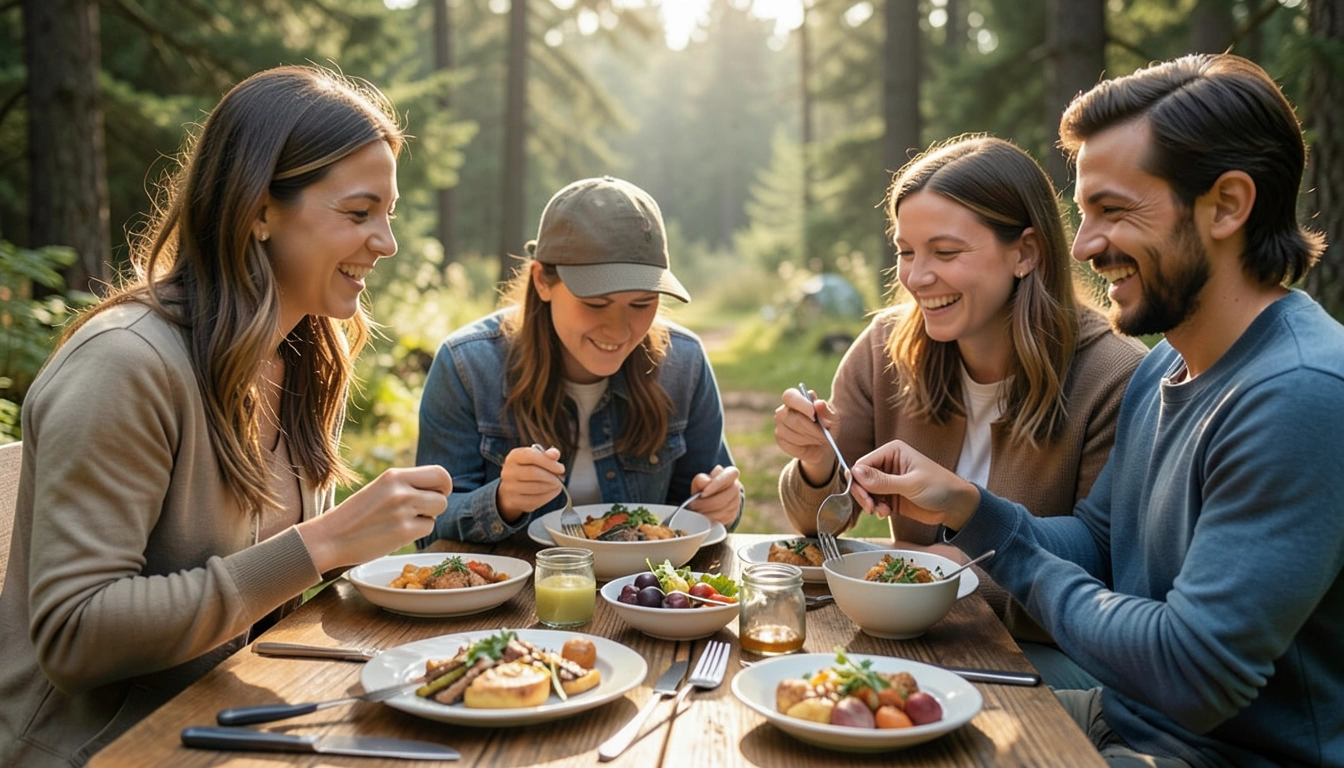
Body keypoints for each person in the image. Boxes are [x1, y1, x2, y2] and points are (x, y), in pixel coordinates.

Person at [849, 53, 1343, 767]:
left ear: (1228, 206)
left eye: (1114, 211)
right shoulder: (1168, 368)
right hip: (1124, 718)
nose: (1081, 246)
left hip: (1216, 754)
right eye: (1083, 213)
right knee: (866, 708)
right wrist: (970, 504)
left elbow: (1194, 672)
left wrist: (1013, 552)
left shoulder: (1299, 392)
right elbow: (1100, 546)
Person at [0, 66, 452, 767]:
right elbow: (74, 634)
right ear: (258, 211)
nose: (386, 242)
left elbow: (269, 600)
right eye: (360, 213)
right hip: (101, 749)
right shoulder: (124, 366)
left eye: (387, 214)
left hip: (239, 716)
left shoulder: (307, 350)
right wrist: (320, 545)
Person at [774, 136, 1147, 675]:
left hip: (1045, 660)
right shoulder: (884, 348)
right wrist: (815, 462)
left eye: (945, 252)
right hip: (905, 641)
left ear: (1025, 252)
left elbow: (1106, 569)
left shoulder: (1114, 376)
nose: (916, 277)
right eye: (906, 251)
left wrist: (963, 572)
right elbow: (820, 524)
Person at [416, 176, 743, 545]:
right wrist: (502, 502)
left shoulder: (685, 363)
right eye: (596, 303)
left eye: (641, 303)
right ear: (542, 280)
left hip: (642, 596)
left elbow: (704, 511)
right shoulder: (466, 367)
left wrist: (722, 504)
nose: (619, 330)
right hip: (517, 599)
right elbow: (427, 531)